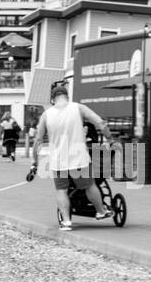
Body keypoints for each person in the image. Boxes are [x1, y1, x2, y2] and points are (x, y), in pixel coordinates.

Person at [32, 81, 111, 230]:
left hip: (58, 160)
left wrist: (35, 162)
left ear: (53, 99)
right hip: (79, 158)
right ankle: (101, 212)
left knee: (61, 190)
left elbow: (38, 140)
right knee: (89, 186)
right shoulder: (78, 108)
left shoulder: (46, 115)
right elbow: (100, 123)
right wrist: (110, 139)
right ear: (67, 96)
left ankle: (66, 221)